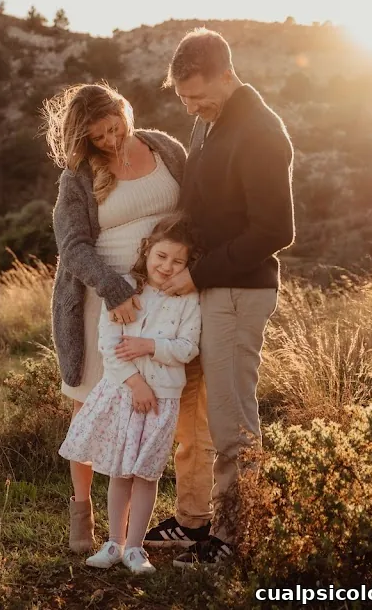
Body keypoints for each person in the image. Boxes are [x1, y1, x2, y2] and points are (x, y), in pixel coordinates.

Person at [149, 28, 295, 568]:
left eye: (198, 95)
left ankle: (236, 538)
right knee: (198, 412)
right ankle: (195, 522)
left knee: (232, 416)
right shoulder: (207, 121)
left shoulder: (261, 131)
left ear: (228, 75)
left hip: (238, 291)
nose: (190, 107)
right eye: (183, 98)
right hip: (206, 286)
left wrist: (200, 273)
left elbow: (276, 229)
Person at [46, 82, 212, 554]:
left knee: (159, 396)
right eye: (97, 137)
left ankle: (150, 517)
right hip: (107, 300)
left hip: (166, 299)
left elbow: (194, 214)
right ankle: (82, 511)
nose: (110, 140)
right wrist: (115, 289)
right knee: (89, 401)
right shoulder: (78, 175)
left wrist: (192, 272)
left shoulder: (165, 149)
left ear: (125, 111)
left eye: (114, 128)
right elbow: (72, 246)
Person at [59, 213, 202, 574]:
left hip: (162, 400)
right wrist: (136, 383)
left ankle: (135, 548)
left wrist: (149, 346)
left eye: (178, 261)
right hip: (125, 394)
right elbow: (109, 345)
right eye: (161, 256)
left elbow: (187, 348)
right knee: (120, 472)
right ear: (147, 250)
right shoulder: (126, 289)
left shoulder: (189, 300)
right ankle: (114, 543)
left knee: (146, 474)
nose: (167, 267)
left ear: (188, 265)